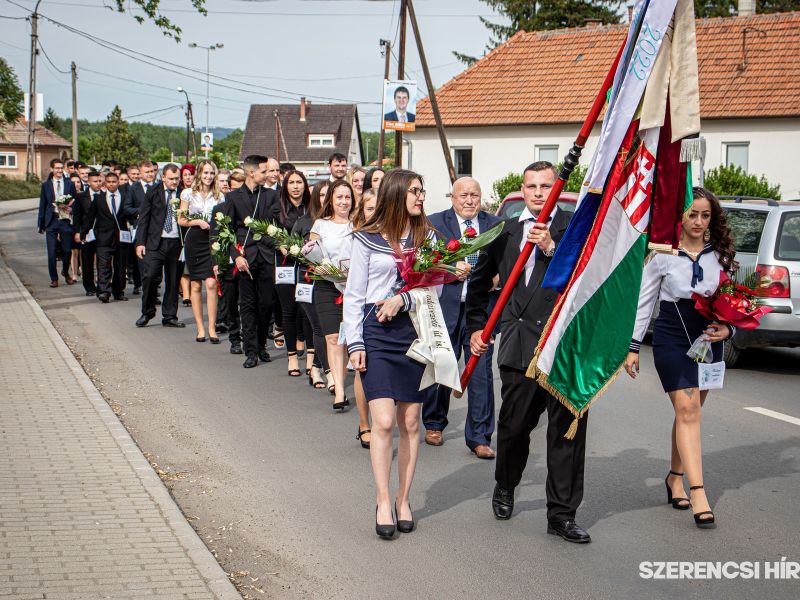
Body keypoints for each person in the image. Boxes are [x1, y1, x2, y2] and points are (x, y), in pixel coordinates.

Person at [466, 161, 589, 544]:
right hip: (520, 345)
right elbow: (479, 283)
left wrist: (551, 247)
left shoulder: (575, 227)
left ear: (558, 188)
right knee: (514, 427)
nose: (539, 193)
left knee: (566, 434)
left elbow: (586, 279)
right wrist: (475, 327)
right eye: (532, 186)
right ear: (523, 189)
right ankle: (506, 484)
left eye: (546, 186)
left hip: (566, 347)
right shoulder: (502, 232)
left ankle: (562, 515)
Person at [624, 188, 736, 530]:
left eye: (705, 215)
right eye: (692, 215)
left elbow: (734, 302)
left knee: (690, 411)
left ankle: (675, 477)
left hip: (708, 338)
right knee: (687, 410)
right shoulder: (661, 253)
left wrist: (729, 330)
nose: (699, 222)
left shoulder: (721, 255)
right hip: (673, 336)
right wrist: (632, 346)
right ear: (680, 217)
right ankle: (698, 491)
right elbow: (644, 302)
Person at [343, 168, 435, 539]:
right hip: (375, 333)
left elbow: (434, 291)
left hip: (413, 332)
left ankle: (403, 499)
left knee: (411, 422)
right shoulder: (365, 239)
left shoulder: (426, 238)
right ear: (397, 194)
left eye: (422, 190)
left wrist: (403, 298)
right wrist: (355, 343)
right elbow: (353, 294)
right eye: (414, 190)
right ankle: (382, 499)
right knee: (382, 422)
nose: (420, 196)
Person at [424, 177, 501, 458]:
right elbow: (422, 260)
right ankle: (434, 422)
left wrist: (498, 275)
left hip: (480, 312)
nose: (469, 201)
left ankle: (480, 436)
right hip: (446, 307)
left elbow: (508, 259)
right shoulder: (434, 223)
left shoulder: (495, 225)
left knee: (480, 373)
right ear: (452, 198)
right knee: (442, 366)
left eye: (475, 195)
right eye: (463, 195)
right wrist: (446, 266)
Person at [228, 155, 281, 368]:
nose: (268, 175)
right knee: (248, 305)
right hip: (245, 259)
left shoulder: (271, 196)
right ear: (252, 173)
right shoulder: (233, 198)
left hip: (266, 256)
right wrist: (236, 256)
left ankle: (261, 345)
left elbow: (277, 224)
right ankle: (250, 350)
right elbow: (227, 231)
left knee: (266, 304)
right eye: (264, 171)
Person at [310, 179, 355, 410]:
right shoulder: (320, 225)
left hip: (354, 288)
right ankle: (339, 390)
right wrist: (322, 267)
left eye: (347, 197)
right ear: (331, 200)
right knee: (332, 338)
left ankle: (343, 379)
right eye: (339, 197)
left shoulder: (359, 224)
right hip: (328, 286)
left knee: (346, 339)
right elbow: (311, 253)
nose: (344, 202)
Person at [133, 164, 186, 329]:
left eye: (177, 178)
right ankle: (147, 311)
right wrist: (140, 242)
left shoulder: (184, 193)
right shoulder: (153, 191)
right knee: (150, 276)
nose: (174, 182)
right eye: (171, 179)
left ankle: (170, 315)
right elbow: (144, 218)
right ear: (163, 177)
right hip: (155, 242)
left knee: (173, 279)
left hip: (176, 242)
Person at [274, 170, 314, 377]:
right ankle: (291, 358)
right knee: (288, 311)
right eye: (292, 182)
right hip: (285, 265)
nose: (296, 186)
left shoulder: (311, 209)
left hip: (307, 267)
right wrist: (279, 244)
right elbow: (266, 233)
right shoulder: (277, 207)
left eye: (300, 182)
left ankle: (309, 356)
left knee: (305, 312)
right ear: (285, 185)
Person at [178, 159, 222, 343]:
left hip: (212, 241)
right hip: (194, 239)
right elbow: (181, 219)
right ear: (199, 174)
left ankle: (212, 328)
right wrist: (197, 222)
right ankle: (200, 329)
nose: (208, 176)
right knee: (195, 285)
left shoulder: (220, 195)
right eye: (205, 173)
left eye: (211, 173)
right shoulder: (188, 193)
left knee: (211, 284)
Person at [292, 181, 330, 391]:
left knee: (328, 328)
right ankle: (320, 368)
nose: (325, 198)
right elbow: (293, 250)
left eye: (328, 194)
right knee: (316, 325)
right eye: (322, 194)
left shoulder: (338, 222)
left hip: (330, 280)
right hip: (307, 279)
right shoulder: (303, 222)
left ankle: (318, 366)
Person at [349, 188, 378, 449]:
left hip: (382, 310)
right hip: (358, 309)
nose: (374, 213)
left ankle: (381, 421)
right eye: (369, 208)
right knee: (362, 369)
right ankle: (364, 422)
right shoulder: (359, 237)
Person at [81, 171, 129, 303]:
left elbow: (130, 214)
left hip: (121, 238)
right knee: (103, 266)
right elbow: (90, 217)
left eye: (114, 182)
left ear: (118, 182)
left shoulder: (125, 196)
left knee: (120, 266)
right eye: (109, 182)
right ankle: (104, 291)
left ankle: (118, 291)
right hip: (103, 237)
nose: (112, 184)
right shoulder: (99, 198)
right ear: (105, 183)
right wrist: (83, 233)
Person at [38, 158, 78, 288]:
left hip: (65, 220)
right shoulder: (46, 185)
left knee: (67, 251)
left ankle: (65, 272)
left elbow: (75, 200)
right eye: (57, 168)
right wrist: (41, 224)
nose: (59, 170)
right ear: (52, 169)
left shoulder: (69, 184)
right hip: (52, 221)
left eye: (61, 168)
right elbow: (42, 205)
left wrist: (72, 208)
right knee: (52, 252)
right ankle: (54, 278)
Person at [123, 160, 157, 296]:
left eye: (152, 171)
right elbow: (126, 208)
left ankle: (152, 289)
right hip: (139, 228)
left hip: (156, 229)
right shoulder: (133, 189)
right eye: (147, 172)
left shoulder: (159, 187)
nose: (150, 174)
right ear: (140, 173)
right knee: (141, 260)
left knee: (154, 262)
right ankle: (141, 285)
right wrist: (142, 211)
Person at [72, 169, 103, 296]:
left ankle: (102, 285)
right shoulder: (81, 197)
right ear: (89, 182)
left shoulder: (104, 195)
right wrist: (78, 232)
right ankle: (89, 287)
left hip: (102, 232)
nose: (98, 183)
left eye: (100, 181)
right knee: (87, 260)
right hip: (87, 233)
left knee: (102, 260)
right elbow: (77, 216)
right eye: (95, 181)